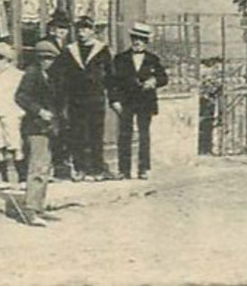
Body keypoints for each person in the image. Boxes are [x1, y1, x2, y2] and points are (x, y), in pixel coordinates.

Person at [109, 22, 169, 180]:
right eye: (135, 38)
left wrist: (153, 81)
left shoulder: (152, 59)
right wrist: (114, 101)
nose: (137, 42)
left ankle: (143, 169)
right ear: (131, 39)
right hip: (126, 102)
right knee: (124, 135)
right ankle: (124, 170)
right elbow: (112, 82)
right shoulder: (120, 59)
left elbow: (164, 78)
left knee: (144, 135)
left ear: (146, 42)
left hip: (145, 102)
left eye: (141, 39)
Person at [61, 15, 113, 179]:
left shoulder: (102, 50)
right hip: (75, 99)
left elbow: (111, 75)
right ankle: (80, 169)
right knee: (77, 134)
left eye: (85, 29)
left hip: (95, 98)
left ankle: (97, 169)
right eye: (79, 29)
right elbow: (61, 75)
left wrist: (112, 96)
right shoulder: (70, 50)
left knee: (96, 134)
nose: (81, 33)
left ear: (92, 31)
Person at [15, 39, 61, 227]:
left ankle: (38, 207)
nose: (49, 62)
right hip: (35, 127)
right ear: (40, 59)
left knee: (44, 168)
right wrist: (39, 111)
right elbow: (20, 97)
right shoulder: (32, 74)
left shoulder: (50, 75)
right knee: (38, 168)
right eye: (46, 59)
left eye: (51, 59)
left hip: (49, 127)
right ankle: (30, 211)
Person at [0, 41, 26, 188]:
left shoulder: (18, 75)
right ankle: (2, 178)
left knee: (15, 145)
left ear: (8, 60)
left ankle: (22, 178)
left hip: (12, 113)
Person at [45, 11, 75, 179]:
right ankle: (53, 165)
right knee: (53, 129)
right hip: (51, 92)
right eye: (59, 27)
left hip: (66, 92)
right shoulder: (46, 45)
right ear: (52, 29)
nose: (62, 31)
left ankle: (62, 166)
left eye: (65, 28)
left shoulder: (69, 46)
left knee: (65, 129)